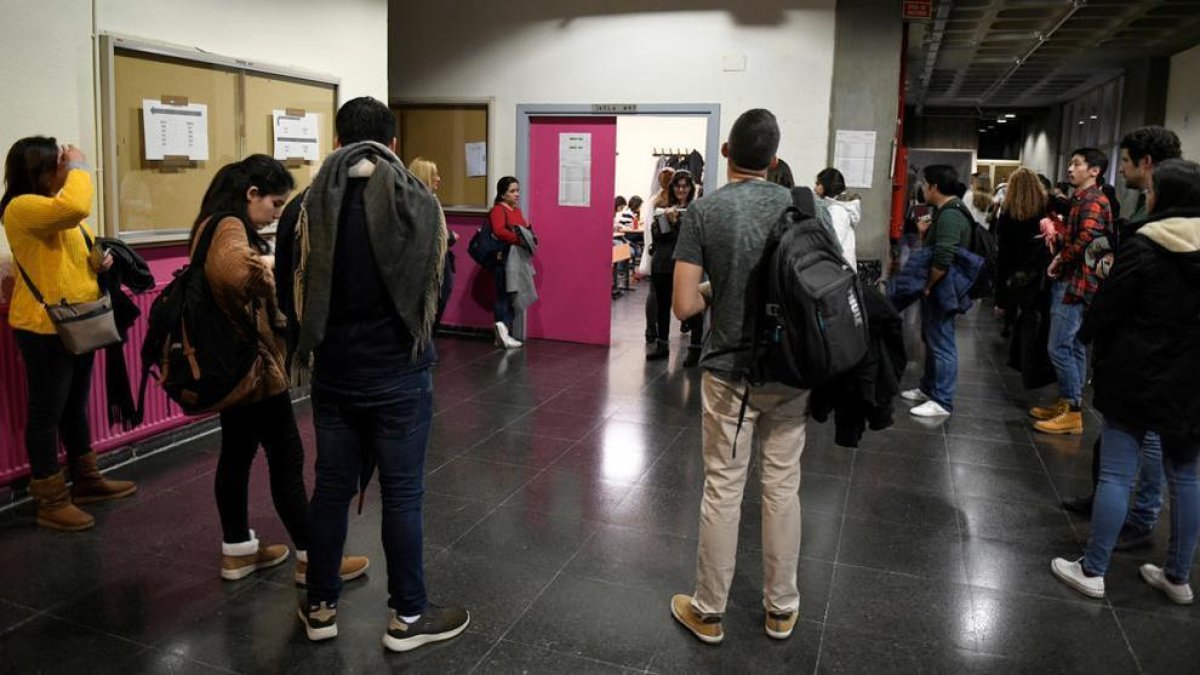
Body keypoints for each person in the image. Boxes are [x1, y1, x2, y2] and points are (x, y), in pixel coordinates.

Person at [278, 96, 467, 650]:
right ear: (393, 144)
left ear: (337, 141)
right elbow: (439, 290)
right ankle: (407, 617)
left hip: (333, 373)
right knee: (403, 494)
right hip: (401, 373)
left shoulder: (304, 206)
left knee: (331, 490)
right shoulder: (419, 203)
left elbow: (289, 293)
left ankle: (320, 607)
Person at [188, 155, 369, 583]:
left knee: (236, 454)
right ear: (251, 194)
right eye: (274, 204)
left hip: (231, 366)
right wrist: (275, 268)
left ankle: (238, 550)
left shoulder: (207, 224)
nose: (276, 214)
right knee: (287, 457)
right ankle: (315, 560)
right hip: (254, 369)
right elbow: (236, 275)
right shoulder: (230, 226)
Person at [669, 108, 809, 644]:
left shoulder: (704, 212)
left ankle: (708, 611)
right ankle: (781, 608)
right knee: (782, 486)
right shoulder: (802, 207)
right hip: (792, 370)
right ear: (774, 160)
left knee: (724, 489)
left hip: (730, 373)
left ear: (726, 152)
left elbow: (682, 307)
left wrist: (715, 291)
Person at [1050, 158, 1200, 605]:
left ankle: (1093, 569)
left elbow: (1108, 306)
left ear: (1165, 197)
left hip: (1137, 373)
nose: (1146, 195)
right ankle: (1177, 576)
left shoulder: (1145, 245)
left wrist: (1091, 336)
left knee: (1117, 473)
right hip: (1192, 380)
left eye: (1152, 189)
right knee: (1188, 476)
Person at [2, 137, 135, 531]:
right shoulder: (22, 207)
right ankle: (51, 500)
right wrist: (80, 165)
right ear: (39, 170)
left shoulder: (55, 213)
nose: (67, 170)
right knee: (46, 414)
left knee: (74, 407)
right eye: (60, 165)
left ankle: (87, 480)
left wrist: (100, 261)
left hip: (78, 321)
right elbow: (76, 205)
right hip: (45, 327)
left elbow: (73, 254)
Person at [1059, 127, 1183, 541]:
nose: (1122, 171)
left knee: (1145, 451)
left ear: (1148, 165)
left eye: (1126, 162)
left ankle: (1138, 521)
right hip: (1153, 351)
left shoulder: (1157, 230)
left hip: (1149, 351)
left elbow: (1120, 278)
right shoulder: (1153, 221)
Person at [1029, 148, 1113, 435]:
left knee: (1059, 346)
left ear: (1095, 171)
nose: (1070, 169)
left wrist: (1061, 257)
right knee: (1074, 345)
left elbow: (1089, 237)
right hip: (1079, 279)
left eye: (1077, 164)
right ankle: (1069, 402)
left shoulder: (1092, 200)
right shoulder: (1082, 199)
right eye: (1070, 163)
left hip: (1076, 281)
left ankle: (1073, 411)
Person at [899, 165, 972, 418]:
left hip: (944, 287)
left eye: (924, 183)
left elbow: (943, 256)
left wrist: (929, 285)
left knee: (942, 342)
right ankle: (929, 388)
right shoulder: (943, 211)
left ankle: (942, 399)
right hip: (939, 286)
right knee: (931, 338)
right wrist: (923, 233)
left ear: (934, 187)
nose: (921, 187)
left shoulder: (951, 215)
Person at [646, 170, 703, 365]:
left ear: (690, 188)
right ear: (671, 188)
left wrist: (677, 223)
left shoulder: (696, 211)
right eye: (677, 185)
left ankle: (695, 348)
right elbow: (658, 236)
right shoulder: (662, 208)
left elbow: (691, 239)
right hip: (662, 264)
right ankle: (662, 345)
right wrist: (667, 221)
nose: (681, 189)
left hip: (685, 266)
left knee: (690, 308)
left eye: (685, 185)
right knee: (663, 306)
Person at [993, 168, 1050, 326]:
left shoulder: (1007, 212)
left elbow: (1003, 251)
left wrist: (999, 299)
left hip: (1011, 269)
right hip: (1034, 270)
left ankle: (1009, 327)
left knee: (1012, 310)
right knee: (1029, 315)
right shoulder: (1044, 209)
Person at [408, 157, 458, 327]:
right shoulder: (423, 202)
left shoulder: (427, 200)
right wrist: (449, 237)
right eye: (434, 175)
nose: (438, 178)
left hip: (438, 260)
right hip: (429, 263)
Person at [488, 176, 528, 349]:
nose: (517, 194)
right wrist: (518, 239)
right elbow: (498, 231)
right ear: (503, 194)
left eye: (517, 190)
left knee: (514, 296)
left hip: (517, 258)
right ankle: (503, 329)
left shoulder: (516, 210)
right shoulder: (499, 210)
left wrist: (528, 236)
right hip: (503, 258)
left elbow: (525, 227)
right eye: (512, 191)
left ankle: (502, 332)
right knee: (504, 295)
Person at [814, 167, 861, 271]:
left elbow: (834, 243)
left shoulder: (837, 211)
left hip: (838, 271)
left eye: (818, 184)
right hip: (840, 270)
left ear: (827, 185)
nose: (815, 189)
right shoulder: (835, 208)